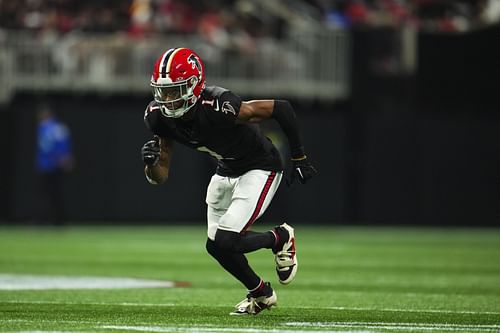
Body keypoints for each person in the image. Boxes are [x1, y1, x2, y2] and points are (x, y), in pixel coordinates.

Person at [140, 48, 316, 315]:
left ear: (194, 85)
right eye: (164, 91)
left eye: (176, 90)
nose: (169, 99)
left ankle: (280, 237)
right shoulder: (158, 117)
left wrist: (299, 157)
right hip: (226, 169)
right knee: (216, 246)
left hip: (260, 166)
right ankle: (261, 294)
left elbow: (282, 108)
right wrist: (151, 164)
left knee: (226, 241)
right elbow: (160, 176)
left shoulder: (219, 105)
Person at [35, 106, 74, 226]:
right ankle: (59, 221)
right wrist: (65, 159)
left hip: (47, 166)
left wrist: (57, 158)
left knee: (44, 195)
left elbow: (46, 147)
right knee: (56, 195)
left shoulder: (45, 128)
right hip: (58, 166)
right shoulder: (60, 128)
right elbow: (65, 147)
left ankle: (43, 221)